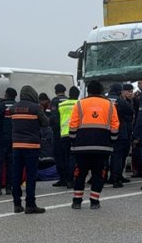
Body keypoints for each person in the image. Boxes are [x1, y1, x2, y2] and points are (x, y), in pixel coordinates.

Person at [68, 81, 120, 209]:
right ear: (101, 91)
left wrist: (73, 140)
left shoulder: (79, 104)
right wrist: (112, 140)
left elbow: (73, 124)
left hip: (82, 146)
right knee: (98, 174)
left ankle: (77, 201)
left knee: (80, 173)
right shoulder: (110, 105)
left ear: (88, 91)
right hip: (102, 146)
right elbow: (115, 125)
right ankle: (94, 201)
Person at [9, 85, 50, 214]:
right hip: (32, 146)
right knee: (31, 176)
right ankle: (30, 205)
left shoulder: (13, 108)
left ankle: (17, 204)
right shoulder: (36, 108)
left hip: (17, 146)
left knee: (16, 175)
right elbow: (45, 123)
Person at [108, 83, 134, 188]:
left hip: (105, 131)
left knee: (109, 156)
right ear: (120, 92)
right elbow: (130, 111)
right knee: (119, 156)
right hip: (119, 131)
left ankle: (110, 177)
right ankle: (117, 178)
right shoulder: (120, 101)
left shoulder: (104, 101)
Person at [53, 85, 79, 188]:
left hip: (63, 133)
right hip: (77, 133)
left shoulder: (61, 104)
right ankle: (71, 179)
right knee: (72, 157)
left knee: (63, 157)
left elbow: (54, 119)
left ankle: (63, 179)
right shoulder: (79, 104)